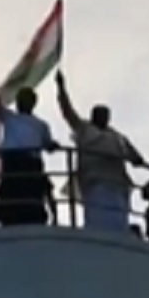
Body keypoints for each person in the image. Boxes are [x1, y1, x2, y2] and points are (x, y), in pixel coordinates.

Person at [0, 55, 59, 227]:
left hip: (32, 163)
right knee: (7, 196)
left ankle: (52, 219)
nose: (23, 102)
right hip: (13, 162)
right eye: (21, 99)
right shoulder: (9, 117)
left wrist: (52, 145)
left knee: (37, 194)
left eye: (26, 99)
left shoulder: (41, 125)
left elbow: (48, 145)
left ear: (33, 103)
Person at [55, 70, 144, 233]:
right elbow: (67, 111)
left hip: (118, 184)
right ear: (93, 116)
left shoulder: (117, 137)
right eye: (100, 114)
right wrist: (61, 87)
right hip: (95, 182)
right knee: (98, 219)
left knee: (119, 221)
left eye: (105, 115)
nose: (103, 117)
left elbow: (137, 159)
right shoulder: (84, 129)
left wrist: (134, 158)